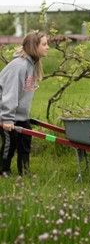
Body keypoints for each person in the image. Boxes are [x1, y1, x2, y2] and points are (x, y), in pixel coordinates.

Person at [0, 31, 49, 177]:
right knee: (10, 143)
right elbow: (10, 93)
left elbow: (24, 94)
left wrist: (24, 115)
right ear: (34, 46)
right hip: (5, 113)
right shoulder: (19, 65)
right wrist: (7, 118)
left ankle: (24, 172)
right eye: (44, 44)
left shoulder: (31, 65)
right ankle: (3, 171)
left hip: (19, 115)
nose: (48, 47)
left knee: (25, 142)